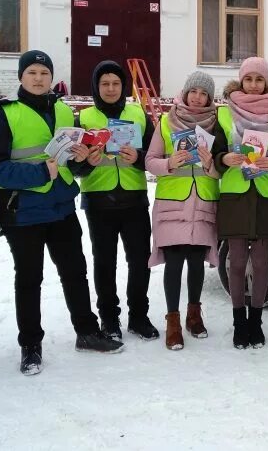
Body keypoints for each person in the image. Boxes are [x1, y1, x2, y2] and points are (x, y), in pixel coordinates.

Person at [0, 50, 122, 376]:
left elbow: (72, 161)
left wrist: (87, 159)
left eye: (44, 73)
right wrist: (41, 174)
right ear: (21, 77)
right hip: (24, 212)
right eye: (32, 73)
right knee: (29, 281)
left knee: (75, 273)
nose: (39, 79)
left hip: (61, 210)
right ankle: (30, 346)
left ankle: (87, 332)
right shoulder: (5, 116)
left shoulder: (63, 110)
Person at [77, 61, 159, 342]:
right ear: (96, 87)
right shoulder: (85, 117)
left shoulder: (137, 113)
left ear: (123, 86)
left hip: (133, 199)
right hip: (99, 201)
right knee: (104, 262)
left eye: (115, 83)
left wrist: (138, 158)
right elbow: (73, 166)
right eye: (105, 84)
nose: (111, 89)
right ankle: (109, 319)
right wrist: (87, 162)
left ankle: (138, 316)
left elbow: (153, 154)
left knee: (139, 261)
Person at [145, 72, 227, 350]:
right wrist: (169, 162)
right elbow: (150, 161)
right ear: (184, 92)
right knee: (175, 261)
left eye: (203, 93)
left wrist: (209, 165)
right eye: (193, 91)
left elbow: (220, 170)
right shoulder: (167, 122)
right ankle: (172, 321)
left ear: (209, 98)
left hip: (203, 201)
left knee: (195, 261)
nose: (197, 97)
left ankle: (194, 315)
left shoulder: (217, 124)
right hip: (172, 204)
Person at [215, 57, 268, 349]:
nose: (254, 85)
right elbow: (215, 153)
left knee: (261, 263)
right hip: (235, 193)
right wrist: (224, 158)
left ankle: (255, 322)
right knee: (236, 263)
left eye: (260, 79)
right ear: (240, 81)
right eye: (249, 79)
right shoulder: (223, 114)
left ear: (267, 82)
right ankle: (238, 322)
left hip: (266, 194)